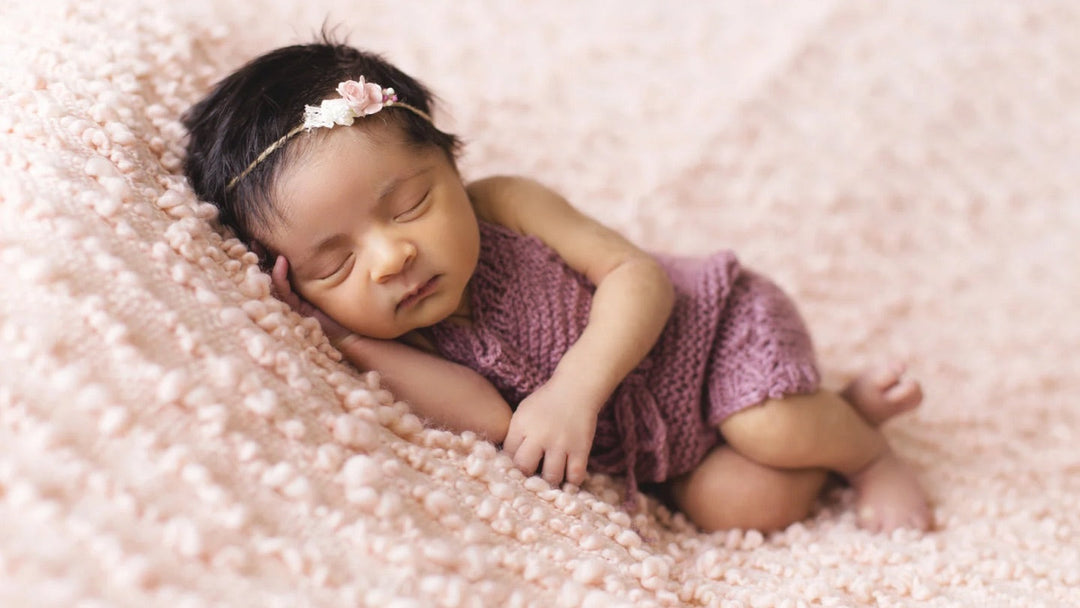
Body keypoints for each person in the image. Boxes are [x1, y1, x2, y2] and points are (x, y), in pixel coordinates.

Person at [182, 38, 932, 533]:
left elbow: (639, 278)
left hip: (718, 333)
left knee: (767, 427)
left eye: (409, 205)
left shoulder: (507, 206)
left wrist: (573, 392)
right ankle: (833, 405)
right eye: (332, 265)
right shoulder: (393, 331)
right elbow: (487, 417)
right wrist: (343, 338)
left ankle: (866, 452)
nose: (390, 259)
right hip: (678, 449)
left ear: (454, 165)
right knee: (741, 507)